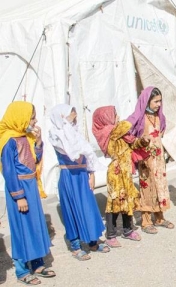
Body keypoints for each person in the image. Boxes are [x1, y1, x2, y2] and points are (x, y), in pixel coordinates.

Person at [1, 101, 56, 285]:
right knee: (21, 228)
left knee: (35, 224)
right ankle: (22, 270)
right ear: (20, 117)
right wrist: (19, 196)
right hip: (20, 189)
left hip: (31, 186)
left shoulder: (26, 136)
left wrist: (39, 141)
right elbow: (9, 172)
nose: (35, 120)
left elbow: (35, 159)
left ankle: (38, 263)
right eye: (32, 117)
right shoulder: (9, 140)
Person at [49, 104, 109, 260]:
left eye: (74, 119)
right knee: (72, 210)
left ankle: (92, 241)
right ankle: (75, 246)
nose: (73, 122)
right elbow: (72, 151)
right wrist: (65, 125)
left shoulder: (75, 135)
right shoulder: (56, 135)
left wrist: (91, 173)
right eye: (71, 118)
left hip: (82, 176)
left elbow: (88, 155)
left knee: (88, 208)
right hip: (69, 176)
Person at [92, 106, 144, 247]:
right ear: (106, 118)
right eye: (115, 114)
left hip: (125, 171)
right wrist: (141, 107)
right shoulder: (109, 132)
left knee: (127, 200)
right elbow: (127, 124)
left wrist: (143, 141)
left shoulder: (121, 134)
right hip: (116, 173)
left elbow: (132, 143)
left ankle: (128, 230)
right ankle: (111, 234)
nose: (118, 116)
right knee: (114, 203)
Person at [127, 86, 174, 234]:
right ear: (147, 101)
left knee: (159, 185)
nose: (159, 104)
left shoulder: (160, 117)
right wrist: (141, 144)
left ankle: (159, 218)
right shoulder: (138, 118)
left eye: (160, 101)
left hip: (159, 159)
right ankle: (146, 221)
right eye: (155, 101)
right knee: (147, 188)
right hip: (145, 159)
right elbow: (130, 137)